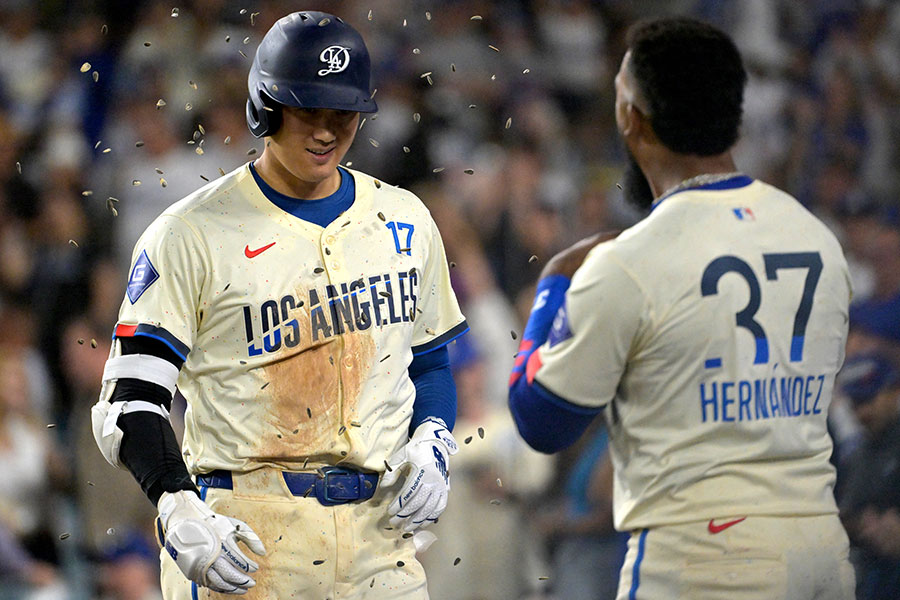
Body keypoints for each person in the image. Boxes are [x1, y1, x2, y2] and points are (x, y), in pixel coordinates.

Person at [91, 11, 467, 599]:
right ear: (264, 107)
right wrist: (175, 500)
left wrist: (435, 437)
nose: (324, 131)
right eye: (306, 110)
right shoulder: (189, 234)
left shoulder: (405, 218)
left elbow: (432, 364)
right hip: (246, 536)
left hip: (380, 540)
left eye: (340, 113)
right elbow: (133, 399)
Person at [509, 17, 856, 600]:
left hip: (705, 558)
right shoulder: (816, 237)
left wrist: (552, 288)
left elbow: (540, 419)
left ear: (629, 116)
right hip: (821, 546)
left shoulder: (629, 263)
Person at [835, 353, 900, 599]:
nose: (862, 412)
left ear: (894, 390)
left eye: (869, 399)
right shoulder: (859, 454)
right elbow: (848, 510)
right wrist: (859, 523)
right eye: (856, 403)